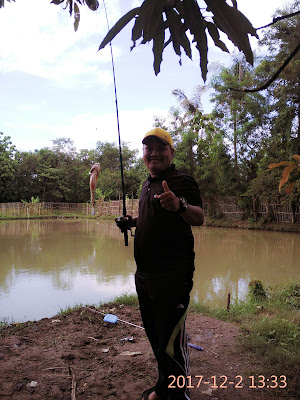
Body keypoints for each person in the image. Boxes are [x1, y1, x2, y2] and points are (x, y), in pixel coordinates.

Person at [116, 127, 204, 400]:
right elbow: (150, 220)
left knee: (172, 341)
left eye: (160, 148)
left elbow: (199, 217)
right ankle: (164, 388)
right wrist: (131, 223)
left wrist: (179, 205)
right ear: (143, 154)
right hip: (145, 274)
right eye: (148, 148)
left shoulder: (182, 180)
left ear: (171, 152)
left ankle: (180, 395)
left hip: (172, 276)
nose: (154, 153)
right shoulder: (146, 184)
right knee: (155, 336)